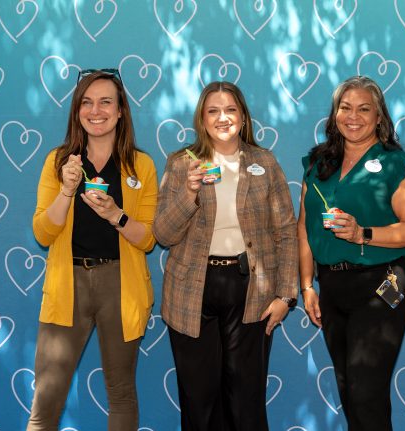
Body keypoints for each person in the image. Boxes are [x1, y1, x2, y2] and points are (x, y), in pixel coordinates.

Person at [153, 81, 298, 431]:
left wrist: (285, 294)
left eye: (231, 110)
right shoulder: (180, 164)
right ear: (202, 120)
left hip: (251, 290)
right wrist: (189, 192)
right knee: (199, 400)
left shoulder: (264, 162)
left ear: (243, 117)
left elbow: (286, 231)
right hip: (192, 288)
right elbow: (163, 234)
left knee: (245, 400)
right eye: (213, 111)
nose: (223, 118)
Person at [298, 76, 405, 430]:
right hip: (332, 286)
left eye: (363, 109)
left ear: (379, 118)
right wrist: (307, 285)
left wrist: (363, 233)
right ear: (335, 114)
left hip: (384, 282)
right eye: (345, 107)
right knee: (348, 388)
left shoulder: (396, 164)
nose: (353, 116)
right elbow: (304, 227)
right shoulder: (317, 164)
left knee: (365, 390)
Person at [28, 69, 158, 430]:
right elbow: (42, 231)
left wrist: (116, 215)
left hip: (121, 285)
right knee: (47, 398)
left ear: (120, 111)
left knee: (121, 393)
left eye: (105, 102)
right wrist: (66, 192)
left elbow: (147, 238)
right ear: (77, 111)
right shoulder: (59, 162)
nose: (95, 110)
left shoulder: (140, 165)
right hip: (67, 283)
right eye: (86, 102)